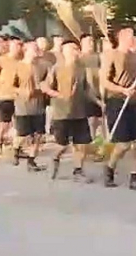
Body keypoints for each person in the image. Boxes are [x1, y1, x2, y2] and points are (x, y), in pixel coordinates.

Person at [42, 40, 99, 182]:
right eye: (71, 49)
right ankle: (55, 157)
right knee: (63, 145)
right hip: (62, 113)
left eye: (76, 48)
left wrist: (99, 102)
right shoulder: (56, 68)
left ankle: (78, 171)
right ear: (64, 51)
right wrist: (60, 95)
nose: (75, 51)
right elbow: (46, 87)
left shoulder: (82, 68)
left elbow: (87, 90)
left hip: (80, 112)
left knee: (82, 144)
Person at [101, 27, 136, 191]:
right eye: (130, 35)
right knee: (123, 144)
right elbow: (104, 81)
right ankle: (109, 168)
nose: (133, 38)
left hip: (135, 102)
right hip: (117, 101)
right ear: (121, 37)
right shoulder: (111, 55)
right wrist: (122, 90)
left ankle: (135, 177)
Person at [11, 41, 47, 171]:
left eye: (36, 48)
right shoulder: (18, 66)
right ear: (26, 50)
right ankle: (16, 149)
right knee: (22, 134)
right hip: (23, 106)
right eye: (33, 48)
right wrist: (21, 91)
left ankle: (31, 161)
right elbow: (11, 85)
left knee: (39, 134)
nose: (36, 50)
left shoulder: (41, 66)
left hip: (38, 105)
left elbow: (47, 81)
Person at [0, 37, 23, 155]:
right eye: (16, 45)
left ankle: (16, 146)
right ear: (10, 46)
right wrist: (1, 86)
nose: (19, 48)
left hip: (18, 97)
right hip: (5, 96)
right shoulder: (2, 60)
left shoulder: (21, 60)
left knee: (19, 123)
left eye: (20, 45)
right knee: (4, 122)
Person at [79, 34, 104, 139]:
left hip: (99, 91)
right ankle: (91, 141)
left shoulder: (98, 57)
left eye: (92, 41)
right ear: (81, 43)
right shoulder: (79, 58)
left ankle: (102, 143)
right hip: (85, 93)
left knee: (101, 120)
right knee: (91, 120)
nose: (91, 43)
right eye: (88, 41)